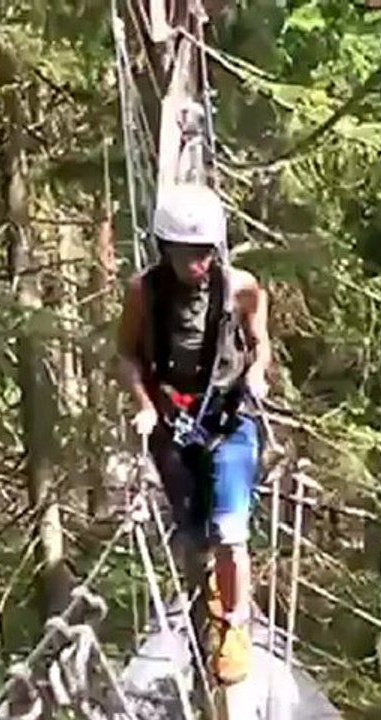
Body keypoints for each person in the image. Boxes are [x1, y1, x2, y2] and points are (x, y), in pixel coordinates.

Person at [115, 182, 272, 685]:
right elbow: (126, 355)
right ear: (166, 249)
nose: (198, 263)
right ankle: (206, 595)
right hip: (173, 423)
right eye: (187, 253)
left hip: (230, 418)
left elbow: (259, 341)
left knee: (231, 531)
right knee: (192, 532)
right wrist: (143, 406)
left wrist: (257, 373)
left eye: (205, 252)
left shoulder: (242, 287)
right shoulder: (144, 292)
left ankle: (234, 625)